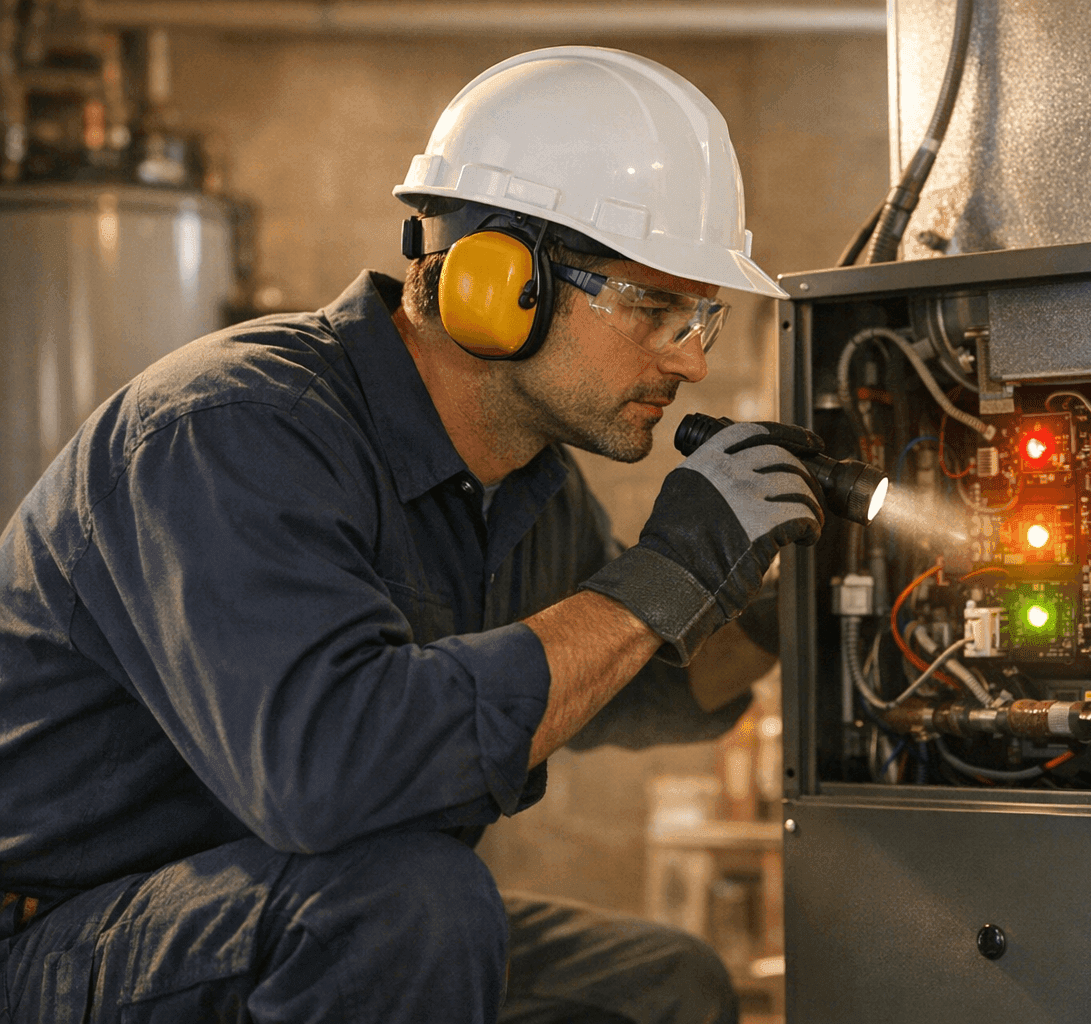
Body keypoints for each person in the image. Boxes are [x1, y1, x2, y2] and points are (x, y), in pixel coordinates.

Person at [0, 47, 821, 1023]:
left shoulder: (530, 486)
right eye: (654, 308)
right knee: (414, 905)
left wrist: (769, 608)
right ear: (496, 280)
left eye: (702, 318)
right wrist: (666, 571)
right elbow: (326, 775)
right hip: (60, 938)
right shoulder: (232, 430)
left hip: (278, 911)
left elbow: (625, 674)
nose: (690, 361)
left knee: (662, 984)